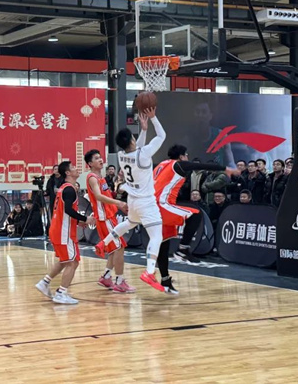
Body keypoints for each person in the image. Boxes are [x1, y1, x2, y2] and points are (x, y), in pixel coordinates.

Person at [94, 107, 167, 292]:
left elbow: (137, 148)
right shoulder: (143, 154)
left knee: (129, 223)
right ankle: (149, 271)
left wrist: (143, 130)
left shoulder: (122, 156)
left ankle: (104, 242)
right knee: (156, 236)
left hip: (133, 200)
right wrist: (153, 118)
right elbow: (161, 136)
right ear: (132, 140)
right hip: (146, 201)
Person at [152, 145, 238, 294]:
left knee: (164, 245)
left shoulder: (161, 165)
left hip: (153, 207)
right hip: (163, 205)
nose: (187, 158)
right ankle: (183, 249)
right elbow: (200, 166)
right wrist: (226, 169)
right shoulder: (177, 164)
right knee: (196, 214)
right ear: (181, 156)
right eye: (186, 155)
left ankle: (165, 280)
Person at [35, 161, 95, 304]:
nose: (76, 169)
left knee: (64, 261)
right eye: (73, 167)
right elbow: (68, 210)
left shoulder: (63, 188)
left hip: (58, 229)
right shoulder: (69, 189)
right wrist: (85, 219)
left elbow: (64, 212)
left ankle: (44, 282)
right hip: (63, 232)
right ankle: (61, 293)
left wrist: (78, 221)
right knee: (73, 263)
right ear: (68, 173)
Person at [84, 149, 134, 293]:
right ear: (90, 163)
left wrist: (117, 193)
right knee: (119, 248)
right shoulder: (92, 177)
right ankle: (119, 281)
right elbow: (99, 197)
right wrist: (119, 203)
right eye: (96, 158)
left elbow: (106, 196)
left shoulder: (101, 177)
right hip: (104, 218)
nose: (100, 160)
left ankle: (106, 276)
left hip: (109, 216)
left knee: (114, 248)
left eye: (100, 157)